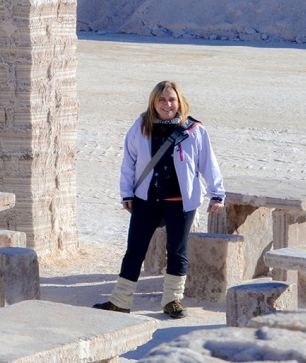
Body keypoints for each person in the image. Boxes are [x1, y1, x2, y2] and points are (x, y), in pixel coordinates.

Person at [94, 80, 225, 318]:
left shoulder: (193, 130)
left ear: (180, 101)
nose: (167, 104)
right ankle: (121, 301)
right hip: (147, 199)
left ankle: (172, 301)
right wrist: (126, 192)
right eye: (162, 100)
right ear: (154, 102)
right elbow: (129, 162)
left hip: (181, 202)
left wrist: (217, 193)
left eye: (172, 99)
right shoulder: (141, 126)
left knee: (177, 250)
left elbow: (208, 163)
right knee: (134, 250)